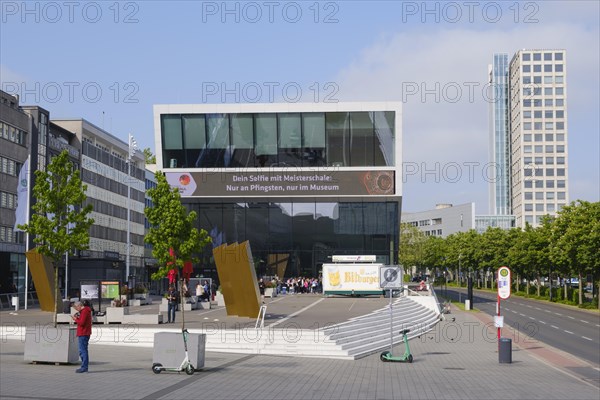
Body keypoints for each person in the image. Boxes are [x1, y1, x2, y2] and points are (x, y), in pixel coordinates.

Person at [72, 301, 92, 373]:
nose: (77, 310)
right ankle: (84, 367)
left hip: (83, 333)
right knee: (83, 350)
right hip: (84, 332)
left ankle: (84, 367)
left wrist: (75, 319)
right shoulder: (85, 311)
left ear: (79, 306)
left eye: (76, 308)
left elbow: (82, 323)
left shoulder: (84, 311)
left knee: (82, 351)